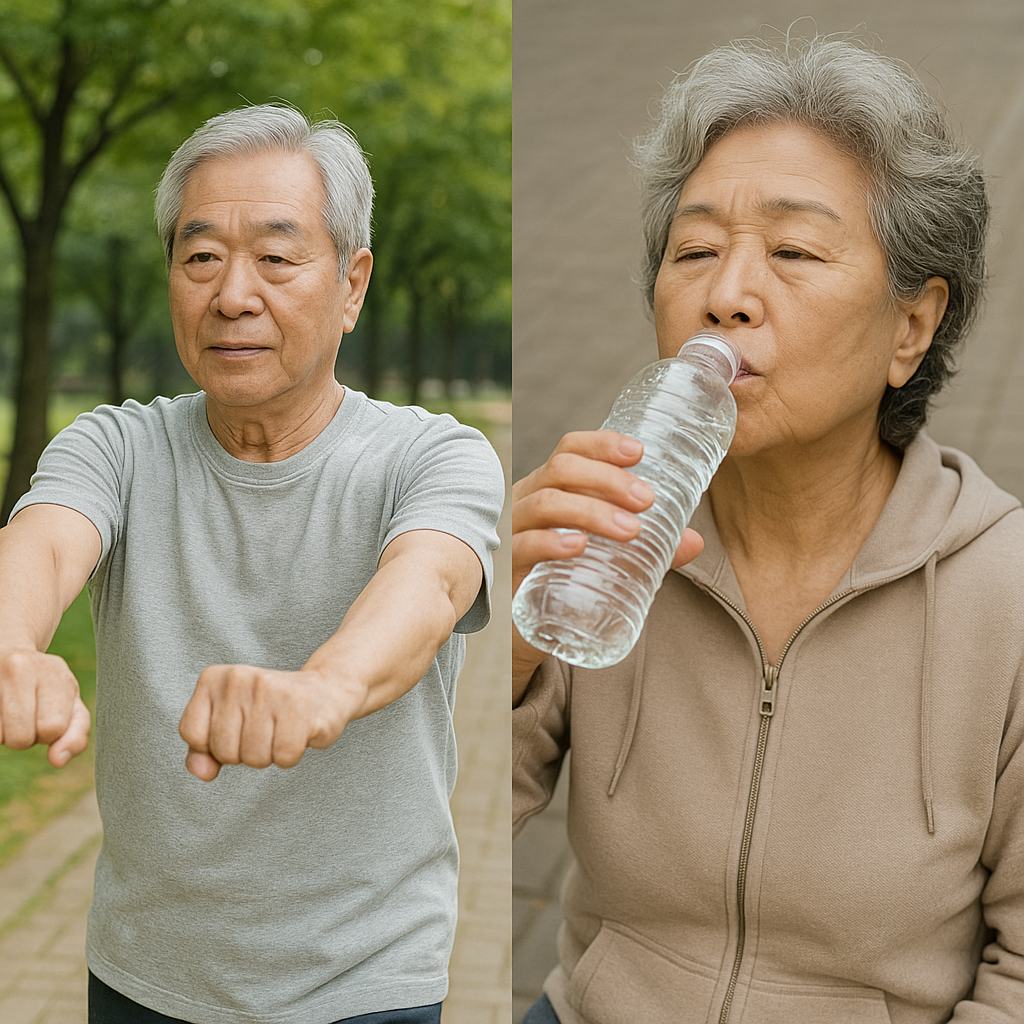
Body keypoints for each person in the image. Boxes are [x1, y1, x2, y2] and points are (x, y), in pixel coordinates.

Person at [512, 35, 1024, 1024]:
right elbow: (439, 835)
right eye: (694, 250)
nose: (724, 296)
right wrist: (500, 648)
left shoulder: (1004, 592)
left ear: (910, 328)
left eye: (791, 252)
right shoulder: (607, 533)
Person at [0, 104, 504, 1024]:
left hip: (362, 984)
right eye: (201, 258)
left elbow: (428, 584)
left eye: (276, 258)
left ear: (352, 286)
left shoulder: (435, 457)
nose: (233, 294)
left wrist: (323, 690)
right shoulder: (116, 447)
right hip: (142, 977)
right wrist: (13, 649)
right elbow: (38, 544)